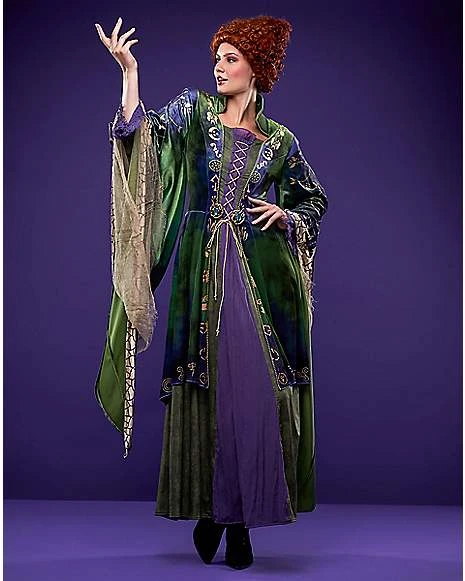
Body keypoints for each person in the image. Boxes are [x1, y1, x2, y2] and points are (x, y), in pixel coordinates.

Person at [94, 14, 329, 570]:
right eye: (217, 58)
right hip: (201, 276)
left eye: (231, 58)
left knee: (257, 396)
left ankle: (238, 522)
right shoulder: (196, 112)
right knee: (211, 393)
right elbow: (145, 139)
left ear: (257, 67)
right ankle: (216, 514)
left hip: (263, 281)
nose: (219, 68)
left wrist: (287, 215)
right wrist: (130, 74)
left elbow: (314, 200)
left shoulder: (280, 141)